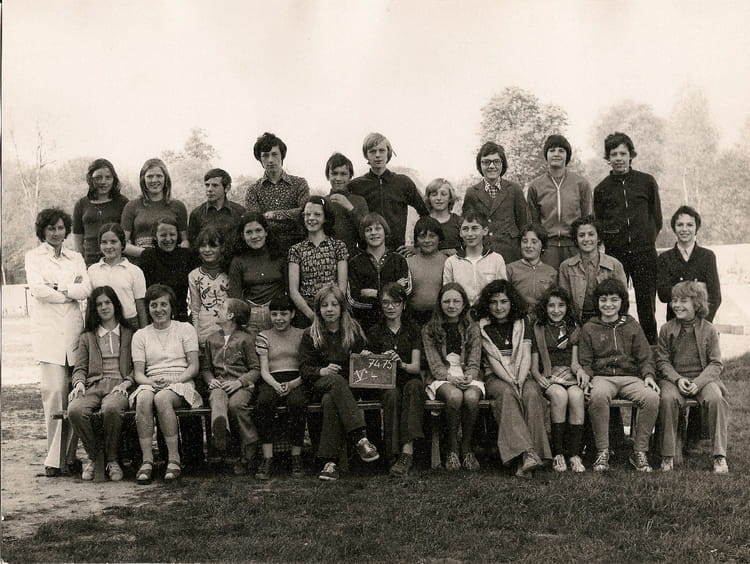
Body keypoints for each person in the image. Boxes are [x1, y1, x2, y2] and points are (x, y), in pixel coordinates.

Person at [25, 208, 91, 476]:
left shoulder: (76, 257)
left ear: (67, 230)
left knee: (74, 396)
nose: (56, 233)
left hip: (73, 333)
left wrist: (59, 288)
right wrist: (68, 293)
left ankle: (70, 457)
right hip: (48, 335)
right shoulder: (33, 257)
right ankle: (54, 460)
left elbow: (85, 289)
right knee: (54, 395)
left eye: (61, 228)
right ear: (43, 231)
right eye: (51, 228)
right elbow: (38, 290)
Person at [299, 284, 380, 481]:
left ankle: (330, 464)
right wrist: (322, 371)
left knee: (330, 400)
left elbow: (361, 364)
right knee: (334, 382)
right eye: (324, 305)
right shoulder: (310, 333)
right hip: (318, 384)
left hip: (346, 389)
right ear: (318, 309)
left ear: (342, 307)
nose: (329, 309)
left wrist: (364, 357)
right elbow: (304, 369)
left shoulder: (353, 330)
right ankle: (360, 437)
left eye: (334, 304)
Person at [578, 278, 660, 472]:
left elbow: (645, 356)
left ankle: (639, 451)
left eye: (614, 300)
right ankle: (602, 451)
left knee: (651, 397)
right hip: (602, 377)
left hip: (630, 377)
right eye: (603, 300)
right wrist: (587, 376)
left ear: (622, 301)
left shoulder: (631, 324)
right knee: (597, 395)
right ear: (597, 302)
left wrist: (649, 376)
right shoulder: (590, 327)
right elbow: (585, 360)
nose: (608, 305)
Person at [476, 280, 551, 478]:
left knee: (532, 393)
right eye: (493, 302)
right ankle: (528, 454)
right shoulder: (483, 326)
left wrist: (520, 379)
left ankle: (528, 458)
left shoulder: (522, 322)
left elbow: (526, 354)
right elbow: (493, 361)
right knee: (507, 394)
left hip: (522, 373)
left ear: (512, 302)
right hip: (497, 377)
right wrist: (511, 381)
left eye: (503, 301)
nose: (498, 307)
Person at [593, 132, 662, 344]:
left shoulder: (646, 182)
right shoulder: (602, 189)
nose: (619, 158)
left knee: (647, 307)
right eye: (614, 154)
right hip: (617, 256)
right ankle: (620, 350)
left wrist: (645, 239)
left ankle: (651, 350)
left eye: (623, 153)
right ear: (608, 158)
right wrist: (614, 241)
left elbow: (657, 218)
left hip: (644, 254)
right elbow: (599, 223)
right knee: (617, 304)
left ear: (631, 155)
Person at [130, 284, 203, 483]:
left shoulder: (185, 329)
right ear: (148, 308)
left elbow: (193, 366)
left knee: (162, 398)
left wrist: (175, 380)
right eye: (153, 305)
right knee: (143, 398)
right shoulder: (141, 335)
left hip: (181, 381)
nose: (159, 309)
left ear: (171, 307)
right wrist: (150, 382)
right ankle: (147, 460)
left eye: (164, 304)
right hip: (151, 381)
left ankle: (173, 458)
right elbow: (138, 373)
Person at [656, 281, 729, 474]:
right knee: (667, 398)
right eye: (674, 300)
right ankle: (668, 454)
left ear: (697, 304)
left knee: (716, 399)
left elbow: (716, 363)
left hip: (702, 380)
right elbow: (662, 361)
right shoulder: (666, 329)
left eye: (683, 301)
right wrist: (677, 379)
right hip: (674, 380)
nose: (676, 305)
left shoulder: (709, 330)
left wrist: (699, 382)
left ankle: (719, 455)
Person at [68, 286, 133, 481]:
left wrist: (127, 382)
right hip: (94, 385)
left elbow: (139, 366)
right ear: (94, 309)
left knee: (112, 408)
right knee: (75, 410)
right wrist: (79, 383)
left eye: (107, 302)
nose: (104, 307)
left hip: (119, 385)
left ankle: (112, 459)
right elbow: (80, 368)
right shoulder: (87, 337)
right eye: (99, 304)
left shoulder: (130, 333)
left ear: (115, 305)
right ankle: (95, 457)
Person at [361, 283, 424, 477]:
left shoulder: (413, 329)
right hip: (387, 382)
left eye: (395, 302)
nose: (390, 307)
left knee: (414, 387)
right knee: (392, 394)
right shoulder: (375, 331)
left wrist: (401, 363)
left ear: (403, 305)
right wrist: (368, 357)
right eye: (386, 302)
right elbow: (370, 369)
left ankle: (407, 452)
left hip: (409, 377)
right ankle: (391, 454)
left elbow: (415, 367)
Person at [422, 283, 483, 471]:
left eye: (456, 301)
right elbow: (434, 364)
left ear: (464, 304)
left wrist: (469, 376)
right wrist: (450, 378)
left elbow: (474, 360)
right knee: (455, 396)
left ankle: (467, 447)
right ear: (440, 304)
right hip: (442, 376)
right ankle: (452, 448)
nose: (451, 305)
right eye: (446, 301)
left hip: (467, 374)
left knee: (471, 397)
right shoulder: (429, 329)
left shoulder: (472, 328)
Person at [530, 286, 587, 473]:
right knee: (559, 395)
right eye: (551, 305)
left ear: (567, 307)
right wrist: (538, 377)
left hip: (569, 373)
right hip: (548, 374)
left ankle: (574, 454)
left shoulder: (574, 328)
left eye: (561, 305)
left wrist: (579, 371)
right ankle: (558, 453)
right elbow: (534, 365)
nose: (556, 310)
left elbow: (575, 362)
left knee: (577, 396)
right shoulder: (538, 328)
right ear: (545, 307)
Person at [201, 298, 260, 475]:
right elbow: (206, 368)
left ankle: (250, 446)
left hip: (241, 385)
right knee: (216, 396)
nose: (217, 309)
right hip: (220, 384)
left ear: (230, 316)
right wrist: (210, 380)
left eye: (221, 307)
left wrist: (239, 382)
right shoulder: (211, 339)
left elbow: (255, 369)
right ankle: (221, 434)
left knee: (236, 405)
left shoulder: (246, 339)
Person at [254, 293, 307, 479]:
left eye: (283, 314)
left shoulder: (302, 334)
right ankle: (267, 458)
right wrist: (276, 385)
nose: (279, 318)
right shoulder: (264, 336)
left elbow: (306, 367)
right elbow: (264, 370)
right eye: (274, 314)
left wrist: (293, 384)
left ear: (292, 314)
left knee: (297, 403)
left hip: (297, 379)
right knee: (264, 401)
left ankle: (296, 456)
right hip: (271, 379)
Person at [348, 132, 429, 253]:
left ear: (388, 153)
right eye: (372, 151)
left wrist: (417, 245)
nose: (377, 155)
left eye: (381, 150)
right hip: (366, 252)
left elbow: (425, 213)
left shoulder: (403, 182)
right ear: (366, 155)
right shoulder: (357, 185)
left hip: (397, 251)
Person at [527, 135, 592, 270]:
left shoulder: (581, 184)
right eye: (552, 150)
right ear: (546, 155)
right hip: (547, 248)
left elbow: (588, 218)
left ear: (567, 156)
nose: (556, 154)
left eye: (561, 151)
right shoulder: (536, 186)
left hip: (574, 246)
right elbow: (534, 222)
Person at [244, 132, 310, 257]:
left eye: (274, 154)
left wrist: (273, 215)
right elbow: (256, 222)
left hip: (299, 248)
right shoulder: (253, 190)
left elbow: (305, 212)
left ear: (282, 156)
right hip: (267, 252)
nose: (270, 160)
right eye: (265, 155)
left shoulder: (299, 184)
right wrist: (290, 215)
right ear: (260, 159)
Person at [462, 141, 527, 263]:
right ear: (480, 165)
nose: (491, 166)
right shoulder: (472, 193)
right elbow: (467, 226)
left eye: (496, 161)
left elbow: (524, 224)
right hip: (483, 254)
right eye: (486, 162)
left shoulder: (514, 189)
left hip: (511, 254)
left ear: (503, 164)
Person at [288, 195, 348, 327]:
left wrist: (332, 310)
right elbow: (293, 291)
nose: (311, 218)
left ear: (325, 218)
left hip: (333, 308)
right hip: (306, 312)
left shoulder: (338, 246)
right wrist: (312, 316)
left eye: (317, 214)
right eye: (307, 214)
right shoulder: (296, 250)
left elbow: (342, 287)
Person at [657, 205, 721, 322]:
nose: (684, 229)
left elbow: (715, 297)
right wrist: (697, 287)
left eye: (690, 225)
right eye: (680, 225)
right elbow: (663, 294)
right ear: (674, 228)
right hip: (675, 323)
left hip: (702, 323)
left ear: (696, 228)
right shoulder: (665, 258)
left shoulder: (708, 256)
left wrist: (702, 323)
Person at [347, 213, 411, 330]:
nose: (373, 233)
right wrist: (393, 289)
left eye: (378, 228)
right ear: (363, 235)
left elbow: (406, 291)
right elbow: (353, 299)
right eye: (368, 230)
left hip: (395, 325)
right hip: (366, 325)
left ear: (385, 231)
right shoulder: (354, 263)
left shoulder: (399, 260)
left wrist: (375, 293)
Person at [558, 216, 626, 323]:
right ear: (576, 239)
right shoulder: (566, 267)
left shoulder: (614, 265)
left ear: (598, 238)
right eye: (581, 235)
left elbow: (623, 300)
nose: (586, 239)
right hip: (578, 322)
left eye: (591, 234)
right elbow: (564, 301)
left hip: (607, 321)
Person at [227, 212, 287, 332]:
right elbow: (235, 298)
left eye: (258, 230)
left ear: (266, 232)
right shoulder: (238, 261)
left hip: (277, 314)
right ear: (242, 236)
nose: (254, 236)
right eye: (249, 232)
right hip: (251, 317)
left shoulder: (279, 256)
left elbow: (289, 290)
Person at [121, 158, 188, 256]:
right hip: (140, 259)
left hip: (169, 259)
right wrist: (148, 254)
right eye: (150, 176)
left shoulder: (178, 206)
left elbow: (185, 241)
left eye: (159, 176)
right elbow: (123, 244)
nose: (154, 180)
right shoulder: (131, 206)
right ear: (143, 179)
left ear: (166, 179)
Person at [87, 223, 148, 330]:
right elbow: (90, 304)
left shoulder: (134, 271)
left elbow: (141, 307)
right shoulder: (92, 270)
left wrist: (144, 333)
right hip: (101, 324)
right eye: (104, 242)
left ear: (122, 244)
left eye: (113, 242)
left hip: (129, 324)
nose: (108, 246)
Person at [138, 216, 199, 323]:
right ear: (155, 236)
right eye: (163, 235)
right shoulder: (147, 257)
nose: (168, 239)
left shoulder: (187, 256)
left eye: (172, 234)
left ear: (178, 235)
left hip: (181, 315)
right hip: (156, 316)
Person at [72, 158, 129, 266]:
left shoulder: (123, 202)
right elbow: (78, 243)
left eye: (108, 177)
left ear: (114, 179)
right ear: (90, 179)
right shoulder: (81, 204)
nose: (103, 182)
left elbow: (127, 238)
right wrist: (80, 265)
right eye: (98, 177)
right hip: (89, 263)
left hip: (116, 262)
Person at [442, 210, 507, 306]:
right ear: (460, 233)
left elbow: (502, 291)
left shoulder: (496, 259)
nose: (470, 234)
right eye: (465, 229)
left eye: (474, 228)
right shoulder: (451, 262)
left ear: (485, 231)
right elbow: (447, 293)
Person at [189, 226, 230, 346]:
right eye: (203, 246)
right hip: (205, 331)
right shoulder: (194, 275)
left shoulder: (230, 272)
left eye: (213, 246)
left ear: (222, 247)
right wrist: (196, 335)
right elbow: (195, 309)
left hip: (227, 330)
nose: (207, 250)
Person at [187, 168, 246, 248]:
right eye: (207, 185)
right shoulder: (196, 213)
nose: (209, 189)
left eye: (215, 185)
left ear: (227, 188)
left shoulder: (239, 212)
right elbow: (193, 245)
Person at [505, 223, 557, 313]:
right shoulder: (510, 269)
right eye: (525, 241)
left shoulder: (551, 272)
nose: (528, 245)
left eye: (534, 242)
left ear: (542, 246)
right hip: (518, 316)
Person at [324, 152, 369, 256]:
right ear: (328, 176)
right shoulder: (323, 202)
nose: (338, 178)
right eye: (334, 173)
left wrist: (350, 207)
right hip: (327, 258)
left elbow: (366, 230)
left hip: (353, 257)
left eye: (343, 174)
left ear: (350, 176)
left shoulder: (359, 201)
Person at [407, 217, 447, 327]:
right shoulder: (409, 262)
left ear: (439, 238)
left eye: (432, 236)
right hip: (414, 319)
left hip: (441, 318)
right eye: (422, 236)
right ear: (416, 239)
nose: (427, 240)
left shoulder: (447, 262)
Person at [424, 178, 462, 255]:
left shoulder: (459, 221)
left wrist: (457, 253)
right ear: (429, 198)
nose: (439, 198)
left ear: (450, 198)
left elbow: (470, 250)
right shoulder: (423, 222)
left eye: (443, 194)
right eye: (434, 195)